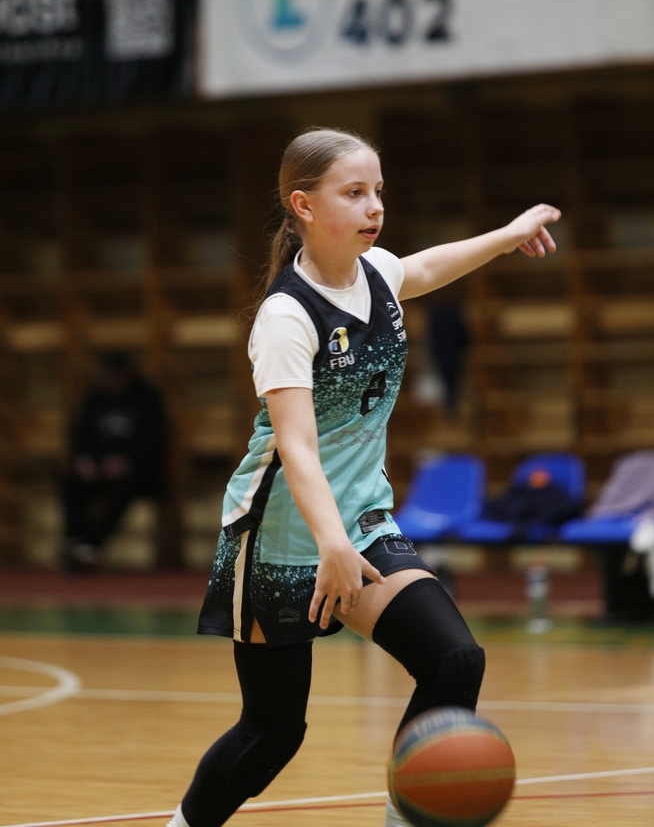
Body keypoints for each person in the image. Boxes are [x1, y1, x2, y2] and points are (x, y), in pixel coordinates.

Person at [168, 128, 560, 827]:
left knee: (454, 662)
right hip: (281, 538)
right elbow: (297, 447)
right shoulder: (286, 316)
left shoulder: (375, 273)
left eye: (378, 190)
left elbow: (427, 267)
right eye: (353, 193)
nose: (374, 205)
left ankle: (403, 818)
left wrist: (508, 235)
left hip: (364, 521)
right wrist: (330, 544)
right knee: (273, 734)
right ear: (304, 205)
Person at [60, 351, 168, 572]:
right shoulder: (94, 397)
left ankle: (91, 545)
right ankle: (75, 541)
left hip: (136, 471)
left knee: (125, 488)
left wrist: (128, 461)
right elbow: (78, 434)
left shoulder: (147, 397)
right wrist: (83, 460)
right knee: (70, 484)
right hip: (96, 468)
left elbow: (155, 440)